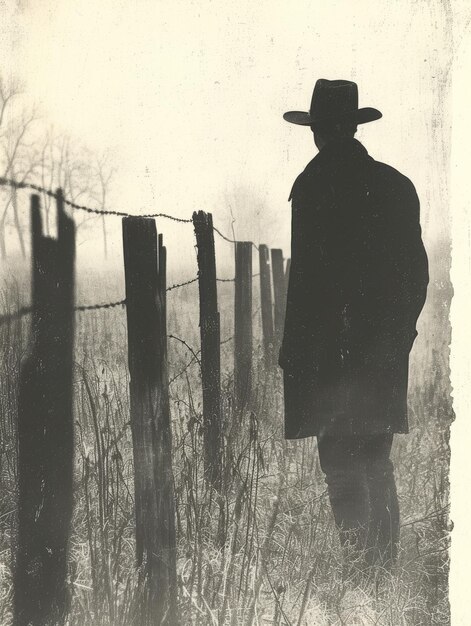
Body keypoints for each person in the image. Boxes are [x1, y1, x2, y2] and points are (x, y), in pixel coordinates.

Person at [279, 79, 429, 576]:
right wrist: (398, 337)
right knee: (373, 459)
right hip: (379, 352)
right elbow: (416, 277)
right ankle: (380, 572)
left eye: (321, 127)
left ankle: (361, 572)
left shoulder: (312, 186)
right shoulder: (395, 185)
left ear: (321, 131)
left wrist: (294, 355)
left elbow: (302, 285)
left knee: (341, 465)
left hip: (327, 354)